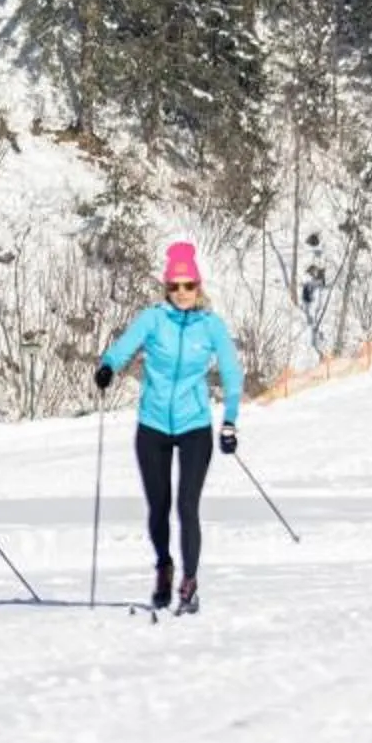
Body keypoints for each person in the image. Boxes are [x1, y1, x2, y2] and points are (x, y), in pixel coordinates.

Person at [92, 241, 245, 614]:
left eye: (188, 285)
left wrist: (230, 420)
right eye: (174, 286)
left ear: (198, 286)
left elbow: (230, 372)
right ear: (166, 287)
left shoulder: (211, 325)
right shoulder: (153, 319)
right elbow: (123, 347)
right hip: (153, 425)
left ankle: (189, 581)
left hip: (194, 426)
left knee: (186, 505)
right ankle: (164, 565)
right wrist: (108, 366)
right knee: (158, 506)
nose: (181, 292)